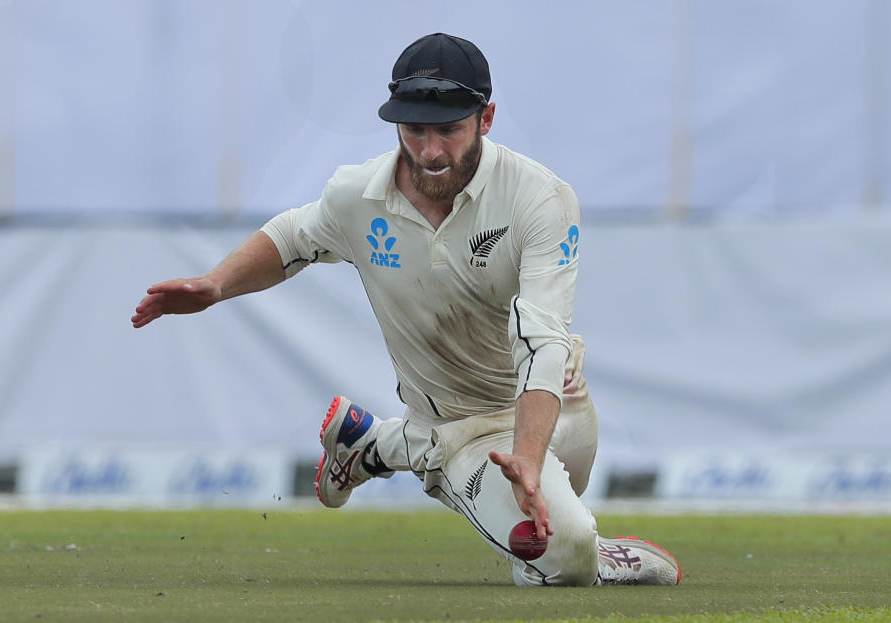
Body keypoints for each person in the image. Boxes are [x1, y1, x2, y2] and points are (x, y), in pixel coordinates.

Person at [132, 33, 681, 587]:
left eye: (448, 129)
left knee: (555, 506)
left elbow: (542, 339)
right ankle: (563, 536)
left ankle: (373, 445)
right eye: (414, 129)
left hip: (556, 400)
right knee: (567, 556)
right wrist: (215, 283)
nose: (431, 151)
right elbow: (293, 236)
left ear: (485, 119)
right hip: (463, 428)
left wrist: (530, 459)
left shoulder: (539, 198)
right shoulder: (357, 196)